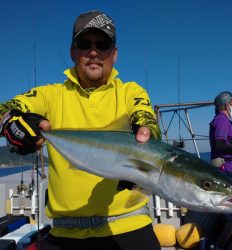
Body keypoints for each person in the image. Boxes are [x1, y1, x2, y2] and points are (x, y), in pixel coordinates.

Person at [0, 10, 162, 250]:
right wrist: (9, 121)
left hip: (128, 228)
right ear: (73, 52)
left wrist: (147, 132)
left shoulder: (131, 92)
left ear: (114, 54)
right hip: (64, 233)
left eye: (103, 44)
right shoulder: (49, 95)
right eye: (84, 44)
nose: (94, 52)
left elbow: (146, 121)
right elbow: (5, 109)